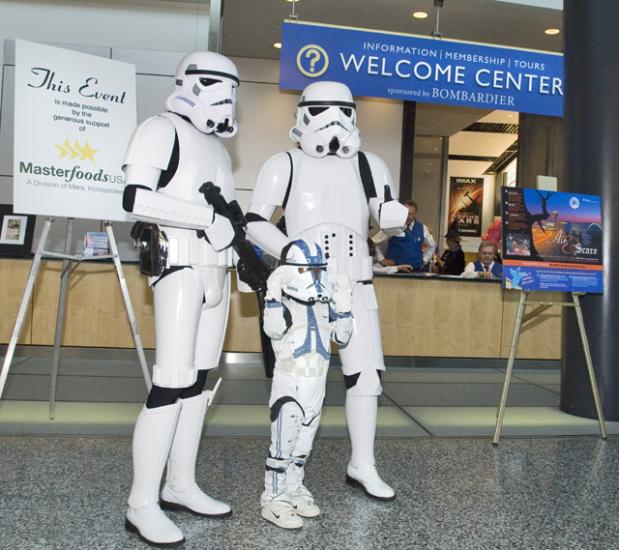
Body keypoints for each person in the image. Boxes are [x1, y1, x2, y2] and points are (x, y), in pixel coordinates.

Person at [245, 81, 408, 500]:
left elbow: (385, 215)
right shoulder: (283, 164)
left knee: (366, 377)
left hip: (356, 282)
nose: (333, 119)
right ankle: (285, 476)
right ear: (302, 113)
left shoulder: (370, 165)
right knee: (300, 384)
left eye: (343, 110)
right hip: (304, 287)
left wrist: (394, 218)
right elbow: (254, 222)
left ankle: (363, 464)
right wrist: (289, 249)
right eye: (321, 109)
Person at [121, 51, 239, 546]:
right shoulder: (159, 129)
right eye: (213, 83)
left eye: (231, 86)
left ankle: (180, 483)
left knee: (199, 384)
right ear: (186, 82)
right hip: (179, 265)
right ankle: (140, 503)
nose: (226, 95)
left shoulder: (218, 149)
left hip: (218, 271)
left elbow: (229, 212)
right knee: (170, 384)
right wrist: (206, 221)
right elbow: (135, 198)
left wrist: (235, 246)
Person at [260, 239, 353, 529]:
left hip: (316, 386)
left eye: (318, 270)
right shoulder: (282, 304)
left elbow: (343, 337)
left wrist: (344, 299)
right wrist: (273, 290)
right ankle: (273, 497)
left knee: (302, 446)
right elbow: (273, 328)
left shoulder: (323, 306)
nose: (314, 277)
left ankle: (293, 487)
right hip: (290, 385)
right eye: (308, 270)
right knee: (283, 445)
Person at [373, 200, 436, 272]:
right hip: (396, 270)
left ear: (415, 214)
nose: (407, 216)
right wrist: (381, 259)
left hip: (416, 270)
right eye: (405, 213)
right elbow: (375, 242)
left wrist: (425, 260)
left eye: (410, 214)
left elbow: (432, 246)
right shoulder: (393, 226)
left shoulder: (422, 228)